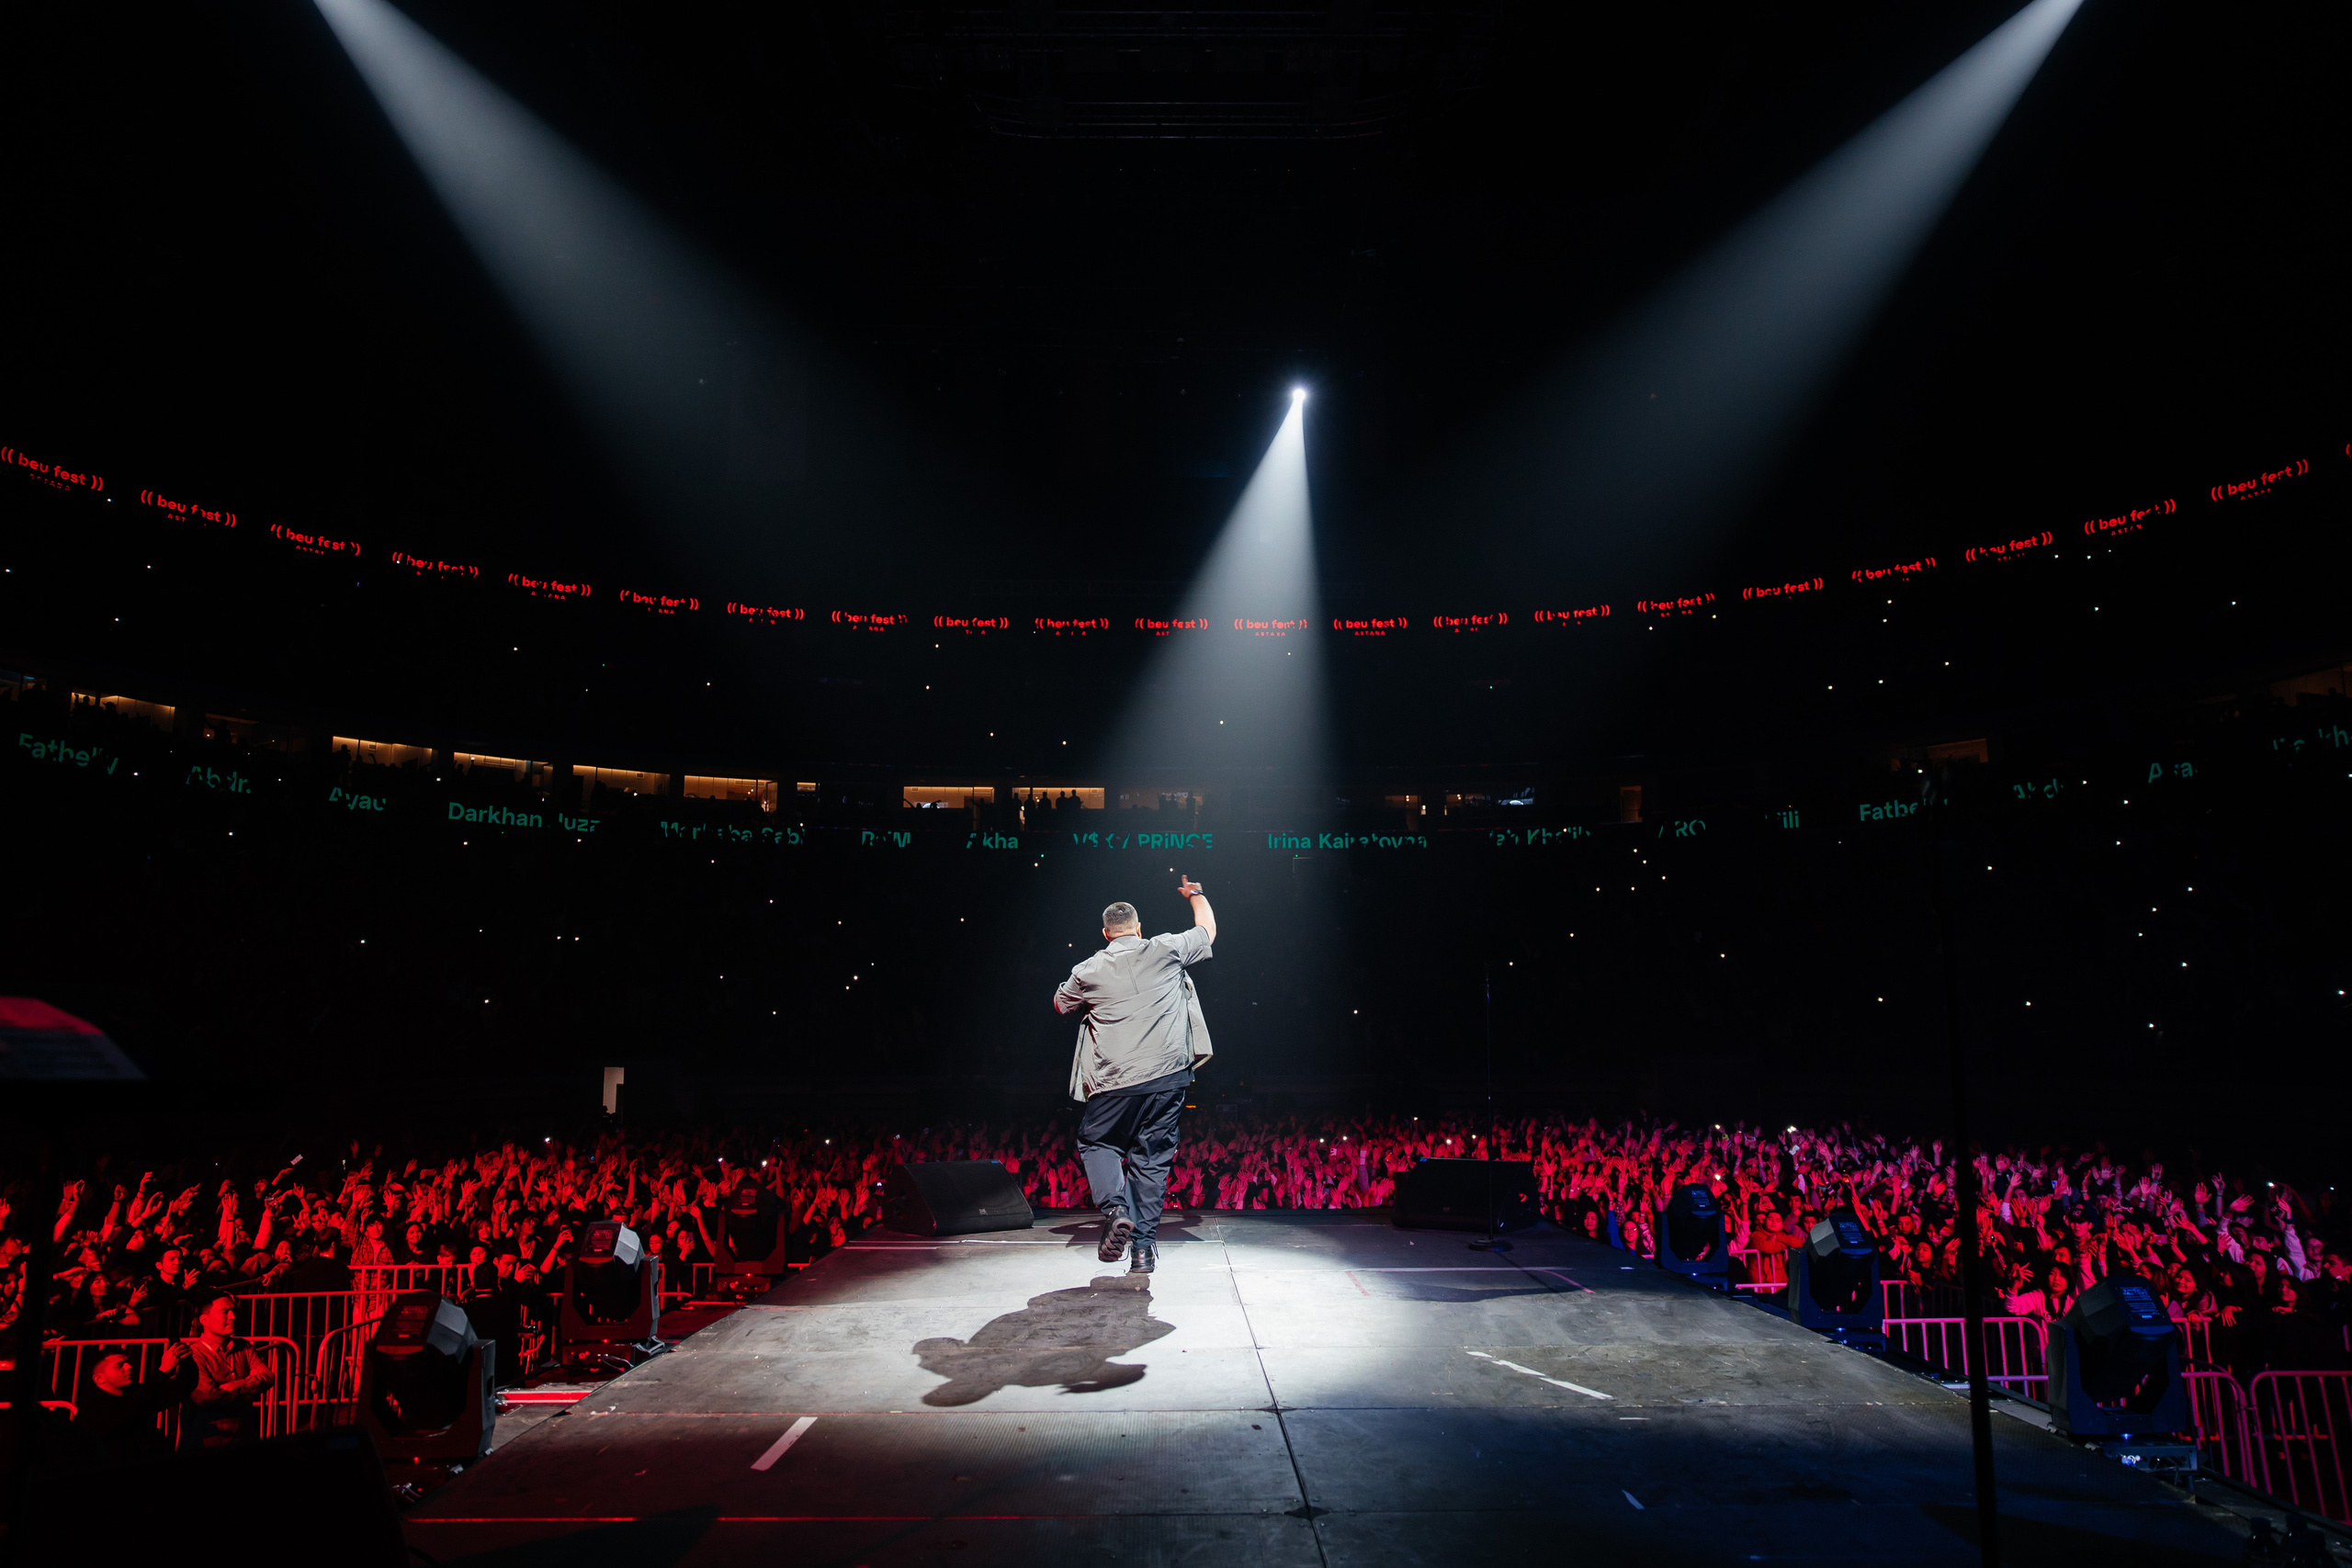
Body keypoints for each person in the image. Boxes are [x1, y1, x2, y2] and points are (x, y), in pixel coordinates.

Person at [1053, 876, 1216, 1275]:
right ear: (1139, 928)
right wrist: (1194, 894)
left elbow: (1060, 1005)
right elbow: (1208, 931)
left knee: (1097, 1141)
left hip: (1116, 1081)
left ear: (1106, 933)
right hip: (1168, 1079)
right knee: (1151, 1163)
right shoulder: (1165, 947)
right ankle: (1143, 1250)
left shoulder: (1087, 969)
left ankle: (1114, 1209)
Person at [181, 1292, 278, 1448]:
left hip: (243, 1436)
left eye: (233, 1311)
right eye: (224, 1312)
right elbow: (206, 1397)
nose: (233, 1316)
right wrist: (249, 1389)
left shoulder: (243, 1346)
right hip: (207, 1442)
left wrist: (237, 1385)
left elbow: (268, 1376)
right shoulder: (194, 1355)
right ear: (204, 1320)